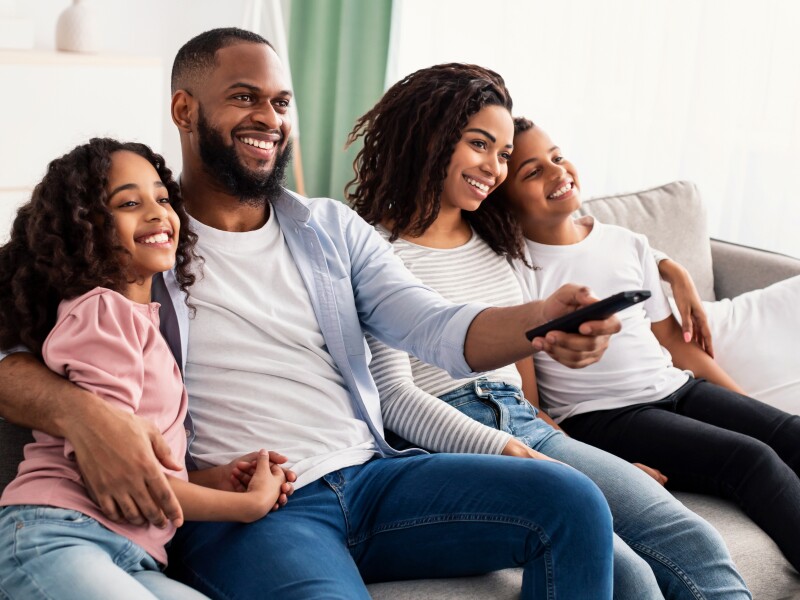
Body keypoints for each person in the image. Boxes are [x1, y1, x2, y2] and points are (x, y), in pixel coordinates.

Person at [0, 29, 624, 599]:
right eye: (245, 97)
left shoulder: (328, 227)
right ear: (185, 110)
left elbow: (433, 325)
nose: (268, 119)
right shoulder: (135, 243)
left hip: (374, 479)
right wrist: (81, 415)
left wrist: (541, 321)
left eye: (280, 102)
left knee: (572, 501)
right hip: (260, 511)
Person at [347, 62, 751, 599]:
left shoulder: (499, 243)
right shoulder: (372, 250)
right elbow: (395, 399)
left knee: (691, 538)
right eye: (479, 145)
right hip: (450, 440)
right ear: (430, 137)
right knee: (628, 577)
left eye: (504, 155)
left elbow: (580, 244)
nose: (494, 168)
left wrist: (666, 265)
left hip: (530, 428)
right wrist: (516, 453)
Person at [492, 116, 800, 573]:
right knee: (751, 460)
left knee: (789, 434)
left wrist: (747, 409)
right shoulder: (514, 273)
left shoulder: (627, 243)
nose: (557, 172)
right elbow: (528, 401)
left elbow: (675, 345)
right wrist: (604, 467)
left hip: (677, 388)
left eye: (557, 157)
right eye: (533, 172)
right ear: (505, 202)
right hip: (607, 419)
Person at [0, 139, 289, 599]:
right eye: (130, 203)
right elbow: (125, 474)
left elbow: (149, 469)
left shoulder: (147, 326)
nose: (157, 212)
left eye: (162, 198)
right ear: (85, 228)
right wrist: (247, 505)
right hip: (57, 536)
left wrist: (217, 478)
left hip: (133, 555)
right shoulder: (101, 314)